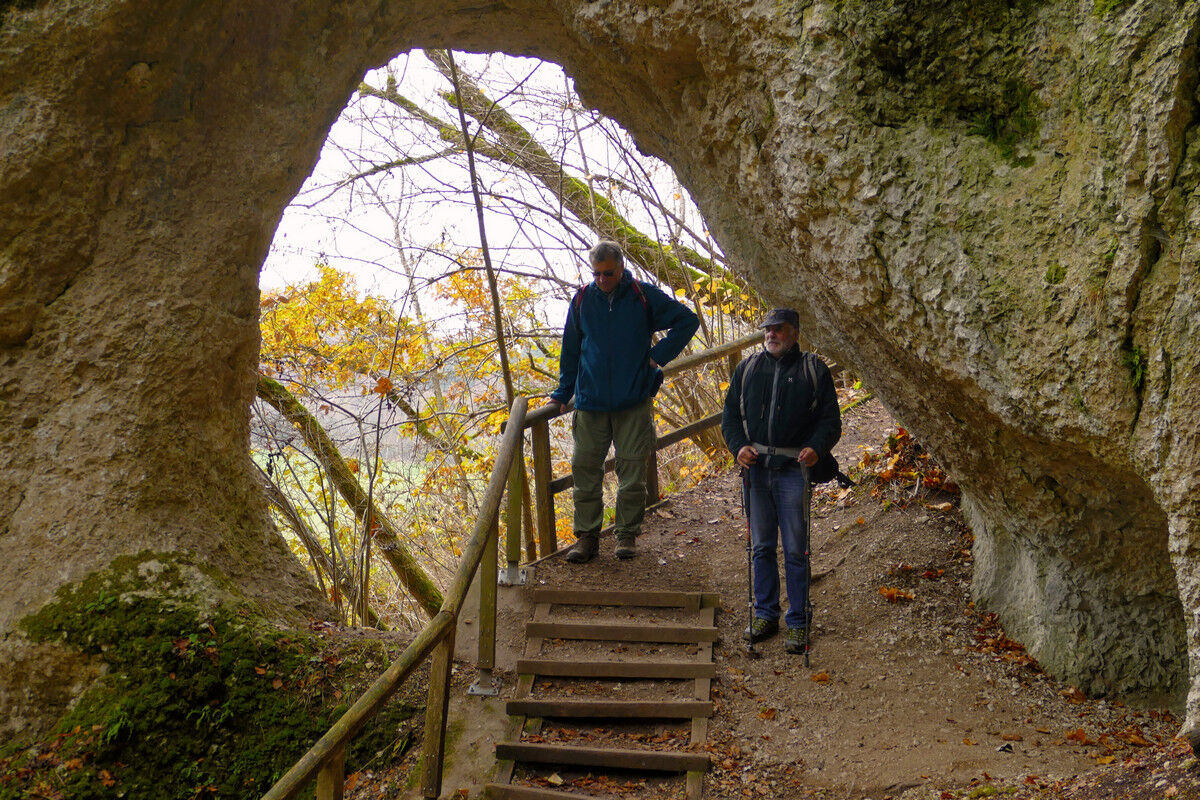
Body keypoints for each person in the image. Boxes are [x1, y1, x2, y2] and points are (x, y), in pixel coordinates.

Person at [548, 241, 699, 563]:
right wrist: (563, 393)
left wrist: (657, 357)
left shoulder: (642, 296)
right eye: (597, 273)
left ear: (621, 268)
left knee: (632, 471)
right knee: (585, 470)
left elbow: (688, 321)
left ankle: (626, 535)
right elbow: (571, 350)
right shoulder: (582, 300)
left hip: (633, 399)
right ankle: (587, 538)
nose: (602, 279)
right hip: (590, 403)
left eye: (609, 273)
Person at [721, 308, 841, 654]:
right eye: (767, 329)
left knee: (795, 549)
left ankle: (799, 621)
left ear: (794, 332)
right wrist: (738, 447)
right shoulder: (747, 369)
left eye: (779, 329)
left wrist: (816, 448)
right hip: (756, 470)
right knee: (760, 547)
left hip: (793, 469)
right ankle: (765, 614)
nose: (771, 334)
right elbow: (730, 416)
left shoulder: (813, 370)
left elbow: (830, 420)